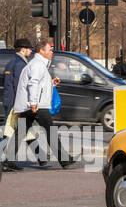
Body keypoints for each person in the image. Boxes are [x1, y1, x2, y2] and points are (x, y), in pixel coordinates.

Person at [16, 38, 73, 168]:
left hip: (31, 104)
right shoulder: (37, 65)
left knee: (20, 132)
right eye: (50, 49)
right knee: (50, 130)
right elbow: (33, 83)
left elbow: (39, 84)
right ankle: (64, 159)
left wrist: (51, 83)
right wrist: (33, 103)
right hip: (37, 105)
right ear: (41, 50)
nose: (52, 52)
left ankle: (6, 161)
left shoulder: (39, 64)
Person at [2, 39, 34, 171]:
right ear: (22, 49)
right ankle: (6, 160)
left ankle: (41, 156)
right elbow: (19, 86)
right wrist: (21, 105)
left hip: (9, 100)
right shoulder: (20, 64)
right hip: (16, 102)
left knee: (18, 130)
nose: (31, 51)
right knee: (11, 132)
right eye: (29, 48)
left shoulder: (11, 62)